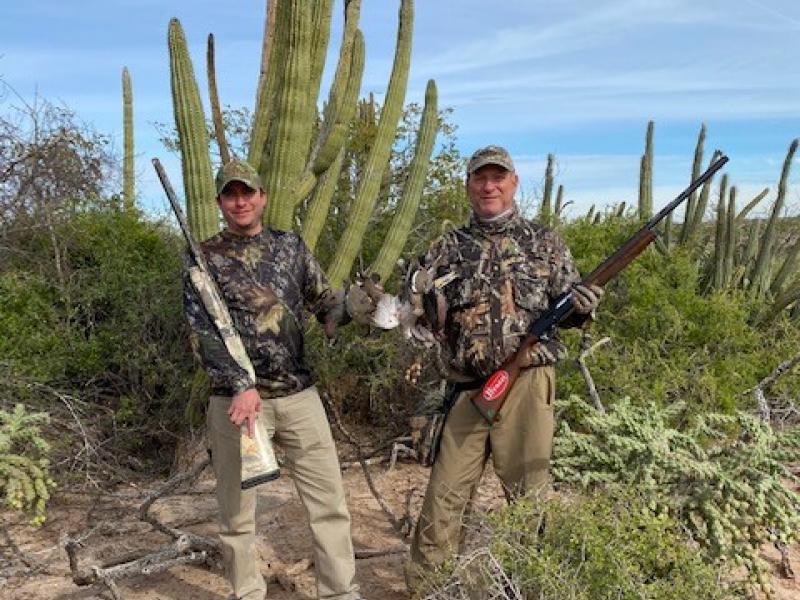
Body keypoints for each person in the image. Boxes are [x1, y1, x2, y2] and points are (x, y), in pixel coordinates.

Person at [404, 145, 603, 592]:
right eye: (480, 178)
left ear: (514, 182)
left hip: (528, 384)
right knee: (443, 500)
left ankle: (533, 587)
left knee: (529, 500)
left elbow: (569, 309)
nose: (488, 186)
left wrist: (584, 307)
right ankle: (428, 589)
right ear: (468, 185)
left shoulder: (545, 241)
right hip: (467, 392)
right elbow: (416, 309)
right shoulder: (445, 248)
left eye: (498, 177)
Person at [182, 158, 372, 600]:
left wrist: (361, 307)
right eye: (231, 194)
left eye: (247, 192)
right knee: (237, 513)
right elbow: (201, 334)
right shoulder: (202, 258)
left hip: (299, 395)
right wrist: (239, 384)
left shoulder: (290, 247)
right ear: (219, 202)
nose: (240, 201)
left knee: (329, 505)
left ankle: (340, 592)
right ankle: (247, 592)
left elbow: (325, 303)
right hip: (238, 405)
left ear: (262, 197)